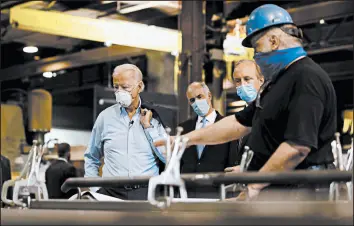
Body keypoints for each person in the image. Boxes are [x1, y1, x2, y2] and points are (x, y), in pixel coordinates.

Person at [174, 4, 337, 201]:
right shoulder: (275, 84)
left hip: (302, 194)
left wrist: (255, 185)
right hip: (278, 190)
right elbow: (237, 124)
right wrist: (185, 140)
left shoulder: (306, 78)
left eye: (257, 48)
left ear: (274, 41)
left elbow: (297, 147)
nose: (255, 56)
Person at [84, 64, 167, 200]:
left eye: (125, 87)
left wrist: (148, 128)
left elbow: (167, 157)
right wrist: (96, 190)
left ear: (139, 87)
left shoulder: (156, 118)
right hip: (110, 193)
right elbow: (91, 157)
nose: (119, 92)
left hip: (145, 193)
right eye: (116, 87)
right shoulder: (105, 117)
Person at [178, 82, 238, 198]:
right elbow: (179, 164)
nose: (196, 103)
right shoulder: (184, 128)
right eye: (192, 100)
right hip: (187, 195)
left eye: (199, 97)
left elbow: (231, 164)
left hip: (215, 194)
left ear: (209, 96)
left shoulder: (227, 126)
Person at [224, 59, 264, 174]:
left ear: (261, 80)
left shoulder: (271, 111)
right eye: (237, 81)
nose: (242, 85)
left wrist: (247, 169)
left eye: (247, 79)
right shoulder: (241, 117)